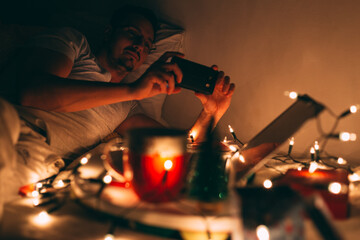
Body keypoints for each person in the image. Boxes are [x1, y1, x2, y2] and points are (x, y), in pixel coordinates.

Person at [0, 5, 235, 214]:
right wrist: (133, 89)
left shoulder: (126, 108)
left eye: (147, 44)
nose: (138, 46)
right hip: (11, 125)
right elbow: (32, 92)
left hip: (36, 161)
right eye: (132, 33)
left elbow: (182, 146)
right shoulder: (74, 44)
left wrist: (211, 112)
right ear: (108, 32)